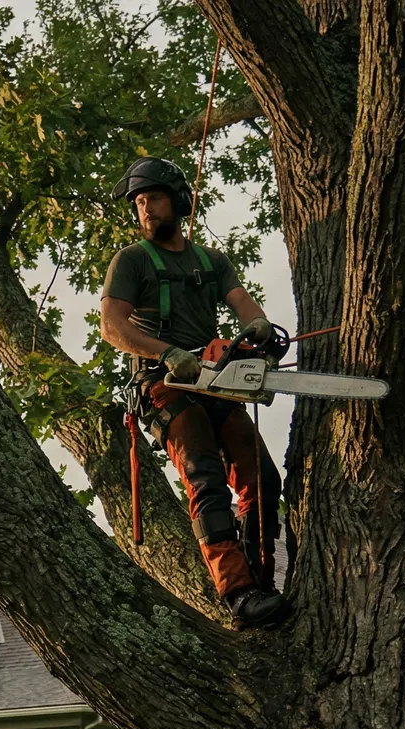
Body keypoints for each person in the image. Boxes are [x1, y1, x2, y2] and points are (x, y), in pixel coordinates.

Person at [100, 156, 292, 628]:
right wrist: (166, 353)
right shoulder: (131, 260)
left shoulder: (211, 261)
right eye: (139, 203)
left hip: (213, 377)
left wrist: (259, 328)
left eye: (154, 198)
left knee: (262, 477)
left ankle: (261, 579)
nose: (146, 209)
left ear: (179, 201)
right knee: (205, 476)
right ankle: (238, 592)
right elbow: (112, 326)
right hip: (163, 383)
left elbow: (245, 305)